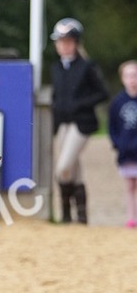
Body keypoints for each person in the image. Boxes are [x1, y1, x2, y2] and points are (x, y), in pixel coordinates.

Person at [50, 17, 108, 224]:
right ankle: (75, 214)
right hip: (62, 123)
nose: (63, 46)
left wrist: (80, 104)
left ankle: (70, 210)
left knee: (63, 167)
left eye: (67, 41)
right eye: (60, 42)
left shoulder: (86, 66)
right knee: (73, 168)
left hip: (80, 122)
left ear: (75, 43)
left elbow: (102, 93)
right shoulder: (56, 67)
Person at [108, 60, 137, 228]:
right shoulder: (117, 103)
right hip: (126, 152)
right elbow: (112, 127)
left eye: (135, 75)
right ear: (122, 79)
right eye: (128, 76)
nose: (132, 79)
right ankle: (131, 217)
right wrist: (118, 144)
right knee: (129, 185)